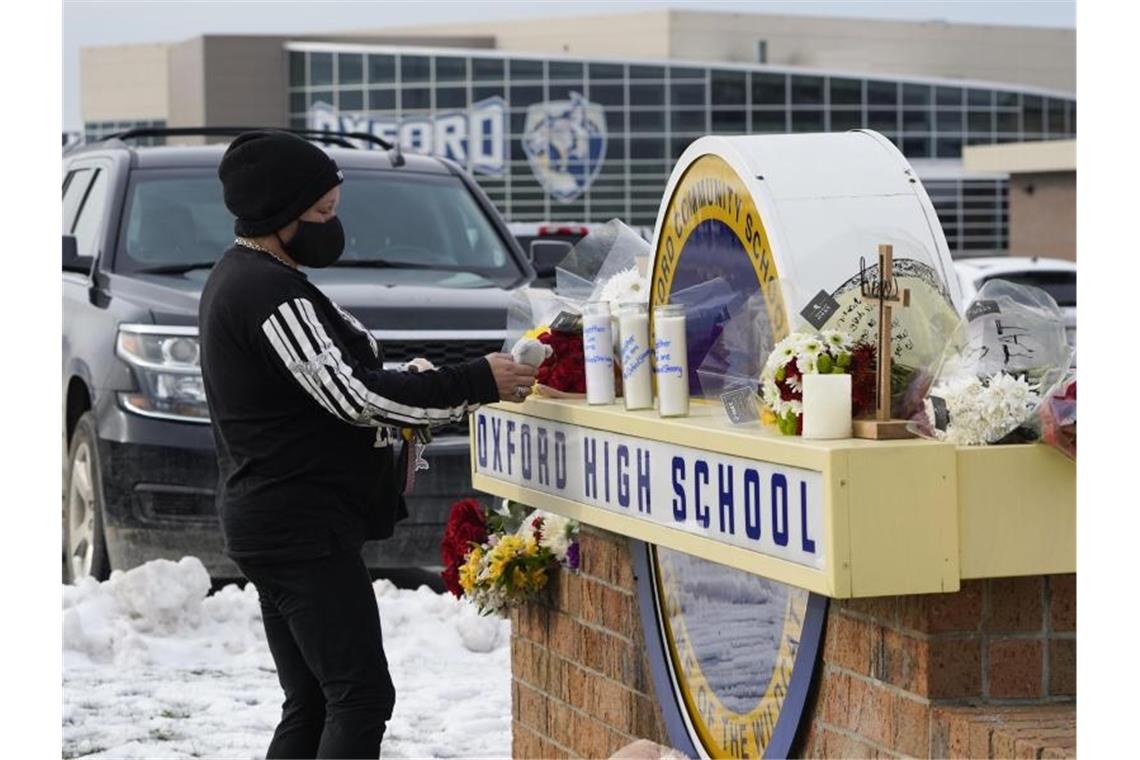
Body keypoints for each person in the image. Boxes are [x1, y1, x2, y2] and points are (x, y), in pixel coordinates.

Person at [199, 130, 536, 759]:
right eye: (322, 213)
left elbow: (321, 385)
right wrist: (475, 381)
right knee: (359, 697)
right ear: (280, 214)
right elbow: (352, 398)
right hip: (297, 525)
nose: (334, 225)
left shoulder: (251, 276)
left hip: (277, 520)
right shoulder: (267, 292)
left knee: (316, 700)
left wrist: (419, 382)